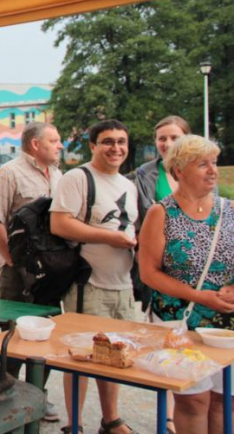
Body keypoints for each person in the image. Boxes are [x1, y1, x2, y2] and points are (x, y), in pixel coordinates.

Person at [138, 135, 234, 434]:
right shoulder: (161, 213)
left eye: (214, 163)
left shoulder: (229, 210)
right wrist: (198, 296)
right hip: (178, 321)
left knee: (224, 400)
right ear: (179, 170)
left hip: (224, 324)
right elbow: (149, 273)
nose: (213, 171)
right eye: (203, 164)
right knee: (194, 401)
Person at [50, 119, 138, 434]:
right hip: (89, 285)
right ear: (93, 145)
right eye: (108, 141)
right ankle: (74, 424)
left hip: (123, 285)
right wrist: (109, 238)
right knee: (82, 357)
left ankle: (110, 420)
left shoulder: (129, 184)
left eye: (121, 142)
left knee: (114, 356)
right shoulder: (78, 177)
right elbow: (59, 224)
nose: (116, 148)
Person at [0, 121, 64, 422]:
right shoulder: (9, 173)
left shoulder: (58, 175)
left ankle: (36, 395)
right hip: (17, 272)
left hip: (51, 272)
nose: (60, 145)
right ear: (35, 145)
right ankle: (4, 397)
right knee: (13, 334)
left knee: (47, 335)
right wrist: (12, 261)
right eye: (54, 140)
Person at [129, 115, 190, 434]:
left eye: (173, 137)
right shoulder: (144, 175)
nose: (166, 144)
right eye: (161, 138)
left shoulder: (197, 173)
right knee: (167, 346)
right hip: (160, 271)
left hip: (196, 274)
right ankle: (168, 414)